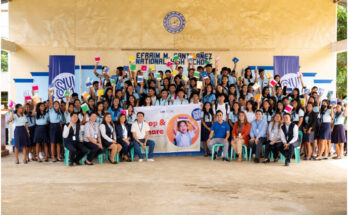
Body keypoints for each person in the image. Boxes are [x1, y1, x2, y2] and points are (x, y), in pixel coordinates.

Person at [48, 90, 63, 162]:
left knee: (58, 143)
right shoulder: (51, 110)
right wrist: (50, 95)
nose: (56, 105)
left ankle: (58, 156)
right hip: (52, 126)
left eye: (57, 104)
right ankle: (53, 156)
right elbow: (50, 102)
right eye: (55, 104)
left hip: (58, 126)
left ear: (59, 106)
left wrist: (61, 128)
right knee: (52, 142)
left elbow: (60, 121)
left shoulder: (60, 112)